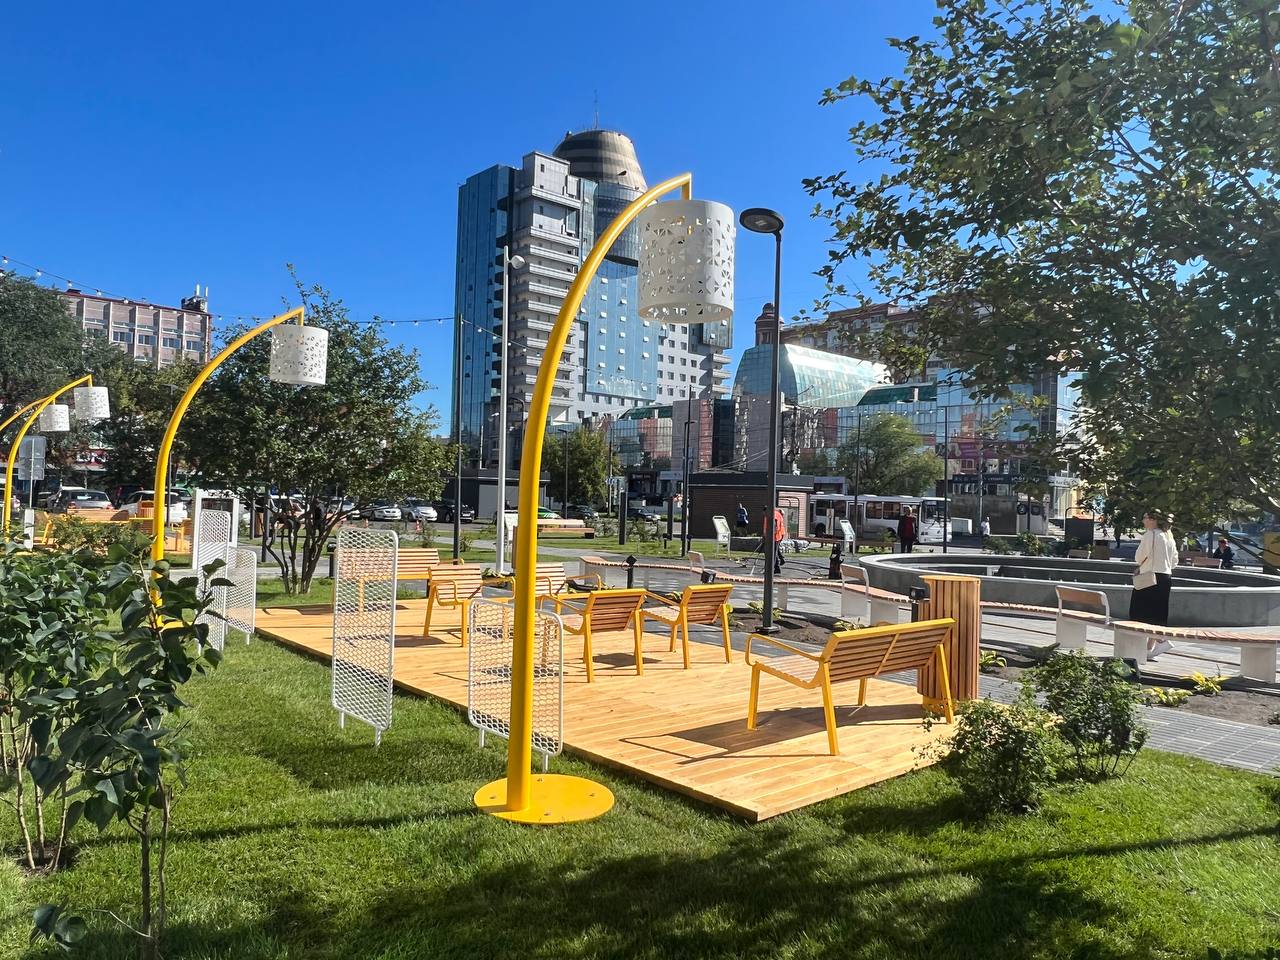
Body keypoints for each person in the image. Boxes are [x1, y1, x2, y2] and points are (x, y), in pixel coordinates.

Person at [1129, 511, 1177, 657]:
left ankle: (1160, 641)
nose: (1143, 521)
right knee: (1157, 614)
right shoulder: (1169, 536)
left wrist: (1144, 565)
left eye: (1145, 518)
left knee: (1139, 613)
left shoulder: (1150, 534)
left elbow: (1139, 557)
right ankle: (1150, 648)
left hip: (1150, 577)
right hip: (1165, 577)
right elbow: (1174, 561)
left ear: (1153, 520)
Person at [762, 505, 786, 574]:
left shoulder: (772, 515)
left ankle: (773, 568)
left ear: (766, 511)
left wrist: (768, 536)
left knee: (772, 553)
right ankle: (779, 563)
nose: (764, 514)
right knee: (775, 550)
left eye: (764, 512)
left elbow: (774, 526)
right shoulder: (776, 514)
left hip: (774, 537)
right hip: (778, 535)